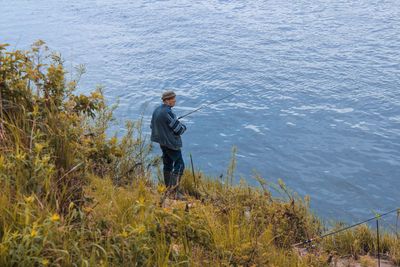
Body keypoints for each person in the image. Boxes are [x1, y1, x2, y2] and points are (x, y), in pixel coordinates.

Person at [150, 90, 187, 196]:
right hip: (171, 144)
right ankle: (174, 192)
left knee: (168, 164)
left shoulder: (157, 110)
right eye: (172, 98)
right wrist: (183, 126)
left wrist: (167, 127)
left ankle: (168, 189)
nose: (174, 100)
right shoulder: (168, 112)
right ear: (167, 100)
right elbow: (179, 130)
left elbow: (152, 126)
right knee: (180, 165)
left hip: (162, 143)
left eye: (174, 98)